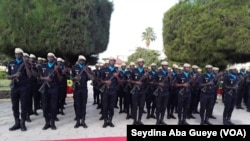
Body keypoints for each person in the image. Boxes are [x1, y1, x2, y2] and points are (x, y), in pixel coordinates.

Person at [7, 48, 32, 131]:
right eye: (16, 54)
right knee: (15, 106)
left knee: (24, 106)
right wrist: (15, 75)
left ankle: (23, 123)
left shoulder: (26, 63)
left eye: (19, 54)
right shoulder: (11, 63)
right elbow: (8, 76)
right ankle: (17, 122)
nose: (17, 55)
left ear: (22, 55)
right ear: (15, 55)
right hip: (14, 87)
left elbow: (29, 75)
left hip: (24, 87)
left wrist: (26, 65)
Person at [40, 52, 62, 130]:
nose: (50, 58)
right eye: (48, 57)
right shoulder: (42, 66)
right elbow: (39, 77)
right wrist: (45, 78)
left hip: (54, 89)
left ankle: (52, 122)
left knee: (53, 107)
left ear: (54, 58)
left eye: (51, 57)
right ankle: (47, 122)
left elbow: (60, 79)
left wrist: (56, 71)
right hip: (45, 89)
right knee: (45, 107)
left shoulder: (57, 67)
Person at [100, 57, 121, 128]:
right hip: (105, 91)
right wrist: (105, 82)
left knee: (111, 107)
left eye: (113, 61)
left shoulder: (117, 71)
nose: (112, 62)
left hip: (113, 91)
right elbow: (99, 80)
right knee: (105, 106)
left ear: (115, 62)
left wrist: (117, 77)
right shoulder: (103, 70)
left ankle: (110, 120)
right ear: (109, 61)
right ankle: (105, 121)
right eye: (111, 60)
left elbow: (120, 82)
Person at [72, 55, 91, 128]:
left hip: (84, 89)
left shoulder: (87, 68)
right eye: (80, 60)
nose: (81, 61)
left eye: (83, 60)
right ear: (78, 60)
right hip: (77, 89)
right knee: (77, 105)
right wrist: (74, 78)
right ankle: (77, 121)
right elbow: (70, 77)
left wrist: (86, 71)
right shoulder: (74, 67)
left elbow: (91, 78)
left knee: (83, 105)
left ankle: (83, 121)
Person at [130, 58, 148, 125]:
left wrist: (147, 77)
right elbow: (130, 80)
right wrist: (136, 82)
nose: (141, 63)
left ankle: (139, 120)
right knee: (135, 106)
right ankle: (134, 120)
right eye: (140, 62)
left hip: (142, 91)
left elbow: (147, 82)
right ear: (138, 63)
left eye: (142, 62)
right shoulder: (134, 71)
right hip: (135, 91)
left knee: (141, 106)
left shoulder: (145, 71)